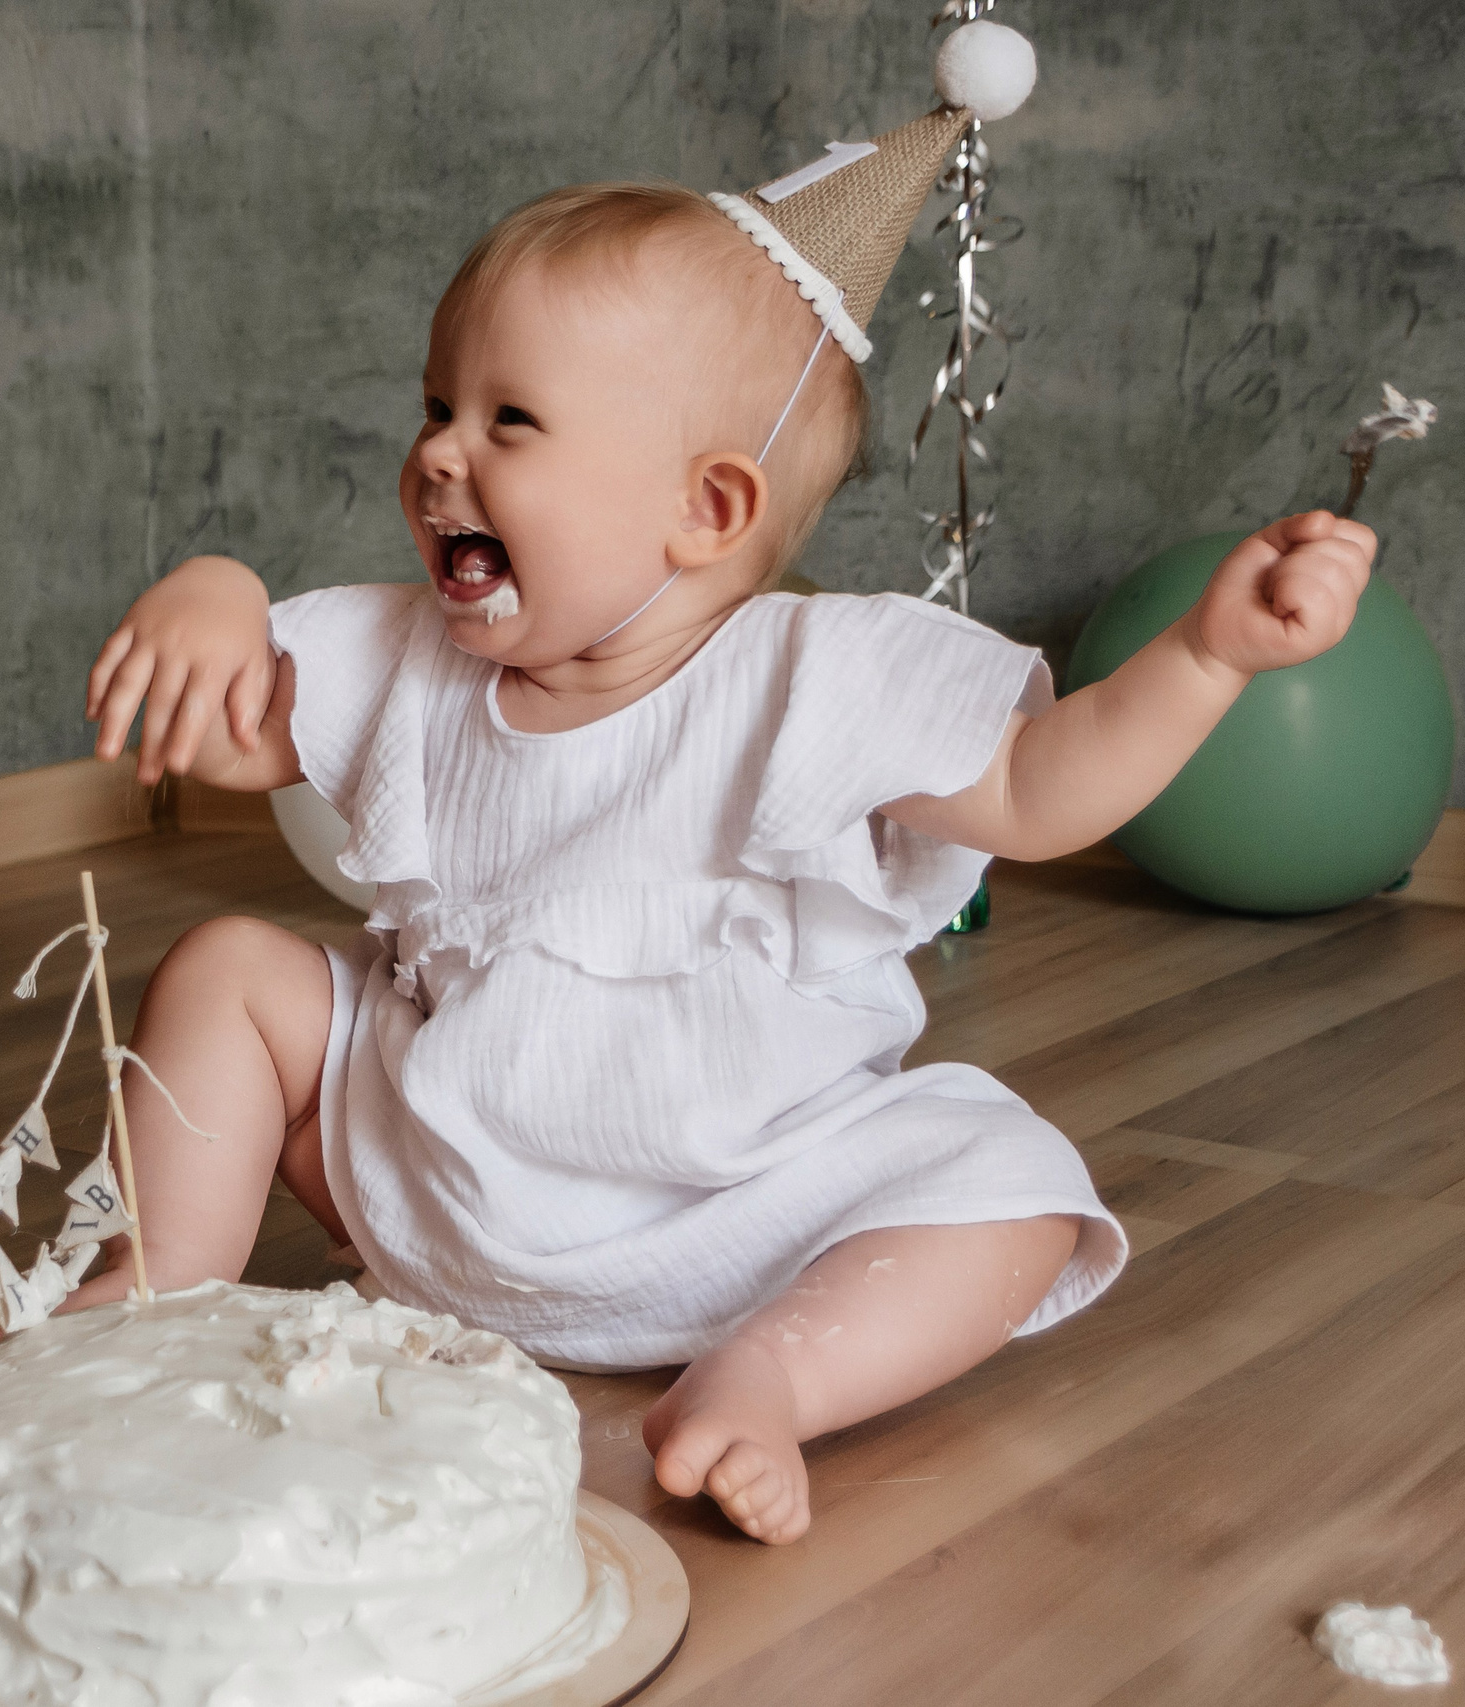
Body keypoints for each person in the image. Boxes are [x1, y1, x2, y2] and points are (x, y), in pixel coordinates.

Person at [72, 32, 1375, 1544]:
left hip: (742, 1215)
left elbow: (1035, 788)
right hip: (445, 1180)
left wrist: (1209, 656)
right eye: (435, 407)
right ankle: (156, 1285)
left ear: (707, 508)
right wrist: (218, 590)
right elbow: (235, 730)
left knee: (1017, 1183)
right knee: (236, 971)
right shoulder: (404, 649)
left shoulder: (814, 677)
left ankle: (769, 1377)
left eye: (509, 423)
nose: (438, 458)